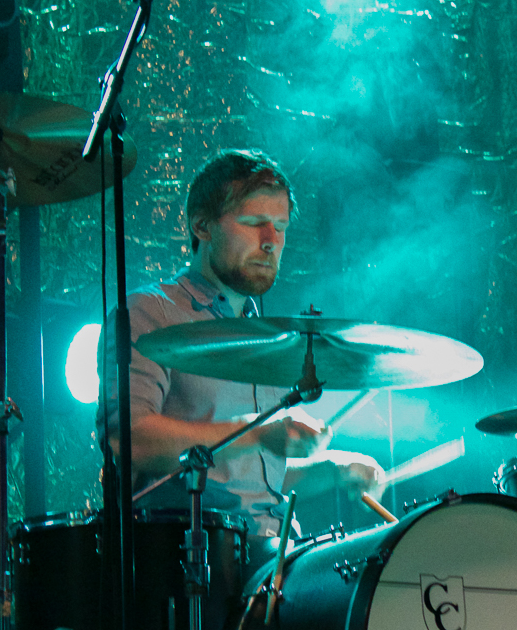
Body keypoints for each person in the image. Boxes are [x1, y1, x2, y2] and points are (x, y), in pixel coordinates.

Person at [98, 148, 384, 544]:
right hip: (193, 551)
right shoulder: (150, 313)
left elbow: (251, 477)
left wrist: (334, 468)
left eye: (280, 227)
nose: (271, 242)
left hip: (274, 549)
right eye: (254, 223)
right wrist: (258, 434)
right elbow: (128, 442)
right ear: (202, 226)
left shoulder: (267, 335)